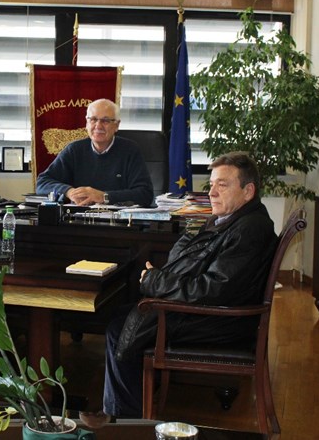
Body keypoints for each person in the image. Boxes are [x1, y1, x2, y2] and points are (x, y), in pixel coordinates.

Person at [87, 152, 277, 424]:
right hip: (212, 311)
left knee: (120, 327)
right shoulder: (231, 219)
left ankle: (127, 423)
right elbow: (181, 259)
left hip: (222, 321)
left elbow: (212, 290)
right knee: (122, 315)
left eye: (222, 185)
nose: (212, 192)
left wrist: (156, 281)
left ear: (248, 191)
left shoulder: (250, 229)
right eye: (211, 184)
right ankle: (131, 405)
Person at [36, 98, 154, 207]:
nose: (98, 126)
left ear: (116, 125)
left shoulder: (130, 150)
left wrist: (104, 197)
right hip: (79, 218)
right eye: (93, 119)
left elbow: (145, 194)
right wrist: (69, 192)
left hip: (117, 220)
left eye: (105, 121)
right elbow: (42, 183)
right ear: (87, 123)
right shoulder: (74, 150)